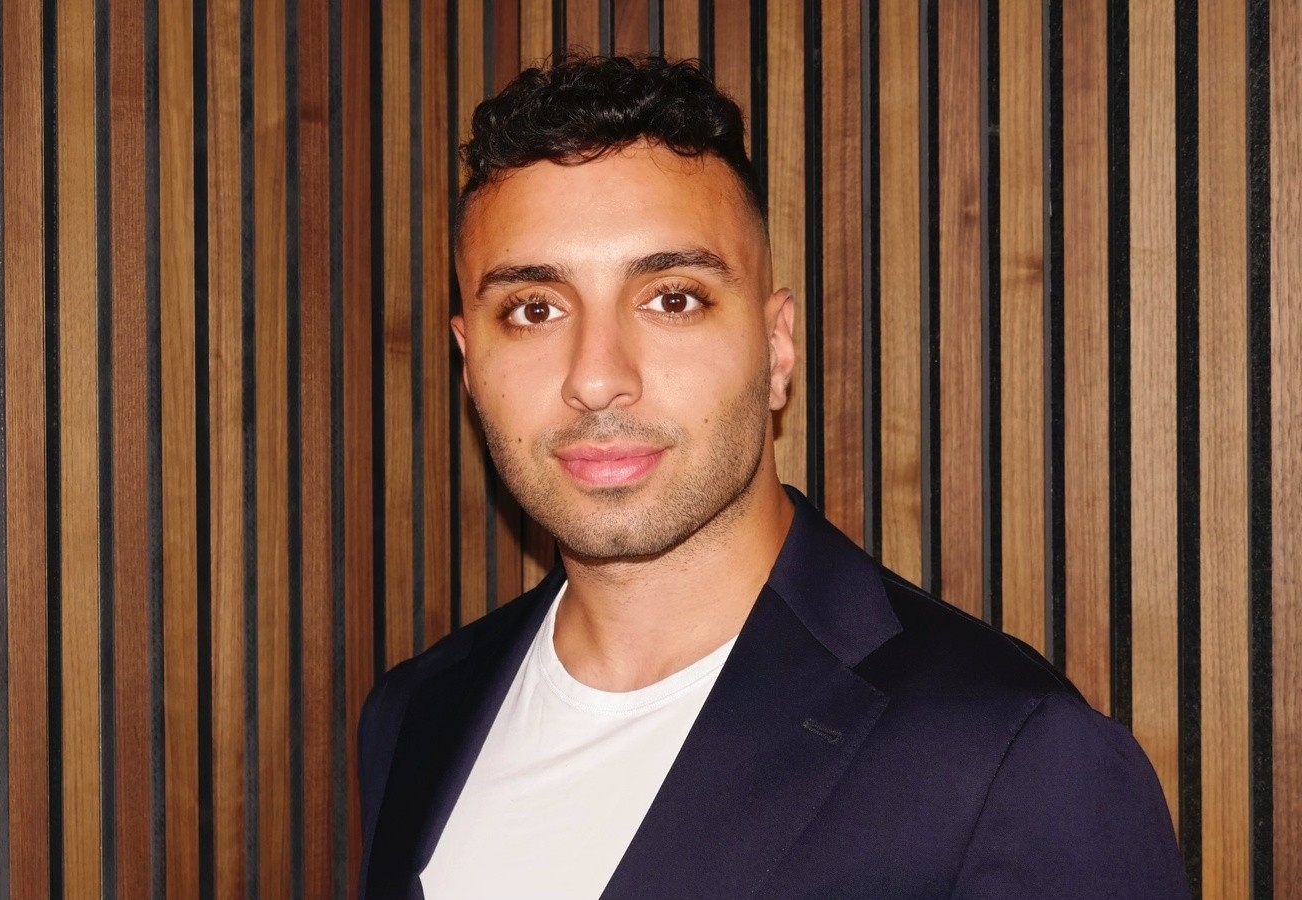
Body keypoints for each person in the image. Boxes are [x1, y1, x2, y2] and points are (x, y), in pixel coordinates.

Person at [356, 54, 1188, 899]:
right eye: (535, 310)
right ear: (470, 364)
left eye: (671, 297)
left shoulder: (1012, 757)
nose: (597, 376)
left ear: (777, 348)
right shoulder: (415, 714)